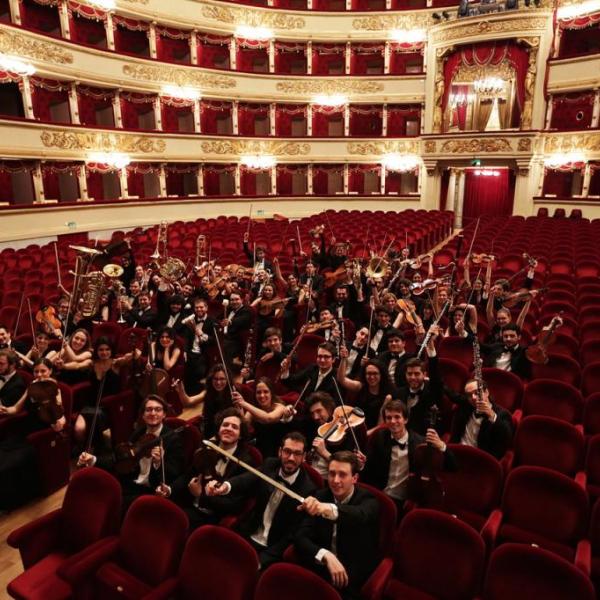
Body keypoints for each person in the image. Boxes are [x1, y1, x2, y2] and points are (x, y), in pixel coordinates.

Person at [206, 431, 318, 568]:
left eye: (297, 453)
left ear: (304, 457)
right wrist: (226, 486)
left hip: (271, 548)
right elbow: (247, 479)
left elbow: (291, 535)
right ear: (280, 452)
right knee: (218, 560)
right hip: (249, 532)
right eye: (287, 452)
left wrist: (262, 560)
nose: (291, 458)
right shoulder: (270, 465)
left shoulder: (308, 490)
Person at [295, 451, 380, 599]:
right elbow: (300, 537)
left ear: (354, 478)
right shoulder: (320, 495)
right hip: (321, 567)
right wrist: (325, 555)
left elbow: (359, 515)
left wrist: (327, 508)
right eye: (332, 473)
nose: (335, 480)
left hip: (352, 576)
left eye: (342, 474)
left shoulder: (369, 500)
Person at [77, 394, 184, 512]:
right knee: (101, 494)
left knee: (115, 506)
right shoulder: (138, 434)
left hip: (153, 489)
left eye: (158, 410)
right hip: (132, 483)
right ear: (143, 415)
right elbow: (119, 459)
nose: (153, 413)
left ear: (164, 414)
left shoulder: (172, 439)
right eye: (148, 410)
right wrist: (93, 459)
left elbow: (175, 473)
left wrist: (159, 463)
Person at [359, 400, 455, 512]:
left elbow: (452, 466)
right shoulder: (379, 438)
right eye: (389, 418)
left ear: (406, 419)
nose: (393, 421)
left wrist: (442, 446)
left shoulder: (420, 443)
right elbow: (369, 469)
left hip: (405, 501)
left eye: (397, 417)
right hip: (380, 493)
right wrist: (362, 464)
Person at [171, 407, 257, 529]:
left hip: (213, 517)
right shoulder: (207, 448)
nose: (228, 429)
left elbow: (234, 505)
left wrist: (202, 496)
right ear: (219, 429)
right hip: (190, 504)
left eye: (234, 427)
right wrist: (169, 490)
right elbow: (187, 476)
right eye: (225, 425)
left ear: (241, 435)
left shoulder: (245, 462)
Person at [0, 358, 66, 512]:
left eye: (43, 371)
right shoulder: (32, 386)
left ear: (50, 371)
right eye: (36, 371)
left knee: (8, 465)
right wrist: (3, 409)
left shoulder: (55, 388)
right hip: (25, 430)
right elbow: (15, 409)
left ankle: (11, 500)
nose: (39, 374)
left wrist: (58, 422)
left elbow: (61, 416)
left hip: (40, 436)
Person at [305, 391, 367, 479]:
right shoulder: (312, 425)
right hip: (309, 473)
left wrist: (324, 452)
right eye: (312, 413)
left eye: (319, 411)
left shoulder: (347, 434)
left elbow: (346, 466)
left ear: (329, 409)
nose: (316, 417)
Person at [449, 379, 514, 460]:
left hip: (479, 460)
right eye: (469, 395)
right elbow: (451, 393)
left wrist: (492, 415)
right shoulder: (466, 405)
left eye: (476, 393)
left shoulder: (503, 414)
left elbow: (506, 437)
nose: (473, 397)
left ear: (486, 392)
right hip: (457, 453)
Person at [397, 326, 443, 435]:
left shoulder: (432, 390)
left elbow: (435, 374)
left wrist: (430, 346)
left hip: (422, 437)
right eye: (409, 374)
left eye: (417, 374)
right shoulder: (399, 392)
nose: (413, 377)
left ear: (425, 375)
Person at [232, 378, 295, 458]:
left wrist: (243, 403)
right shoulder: (253, 410)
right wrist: (240, 408)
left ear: (271, 393)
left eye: (266, 392)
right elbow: (244, 427)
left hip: (278, 452)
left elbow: (268, 418)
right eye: (258, 392)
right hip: (260, 451)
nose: (262, 395)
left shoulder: (280, 407)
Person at [336, 352, 397, 432]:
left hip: (372, 431)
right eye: (368, 374)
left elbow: (380, 424)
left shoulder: (388, 396)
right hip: (353, 426)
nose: (371, 377)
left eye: (375, 374)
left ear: (381, 375)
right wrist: (343, 359)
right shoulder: (360, 386)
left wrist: (367, 434)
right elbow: (342, 380)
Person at [182, 298, 217, 394]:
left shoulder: (212, 321)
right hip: (191, 352)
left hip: (204, 353)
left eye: (201, 307)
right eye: (196, 308)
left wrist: (202, 334)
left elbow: (214, 341)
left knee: (198, 372)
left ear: (206, 308)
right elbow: (187, 338)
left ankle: (196, 394)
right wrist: (184, 351)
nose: (199, 309)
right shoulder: (191, 321)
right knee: (185, 370)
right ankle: (187, 394)